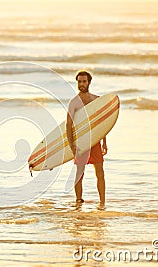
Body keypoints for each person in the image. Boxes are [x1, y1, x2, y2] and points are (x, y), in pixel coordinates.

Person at [66, 70, 107, 209]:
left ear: (89, 82)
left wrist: (105, 142)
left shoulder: (97, 100)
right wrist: (71, 144)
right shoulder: (74, 103)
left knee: (100, 172)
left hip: (95, 140)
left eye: (84, 81)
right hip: (81, 141)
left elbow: (103, 122)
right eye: (79, 82)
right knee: (79, 173)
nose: (81, 84)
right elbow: (68, 124)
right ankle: (78, 201)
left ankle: (102, 203)